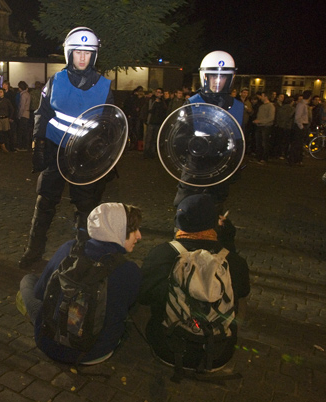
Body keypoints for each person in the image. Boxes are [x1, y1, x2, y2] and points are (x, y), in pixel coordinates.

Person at [19, 27, 115, 269]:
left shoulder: (105, 86)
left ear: (93, 55)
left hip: (85, 156)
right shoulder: (55, 81)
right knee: (44, 202)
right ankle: (33, 250)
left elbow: (110, 125)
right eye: (78, 52)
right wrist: (38, 143)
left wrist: (106, 156)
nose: (82, 57)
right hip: (56, 151)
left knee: (85, 207)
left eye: (87, 53)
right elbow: (42, 113)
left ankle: (82, 256)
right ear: (69, 53)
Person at [17, 202, 142, 364]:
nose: (139, 236)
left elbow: (40, 293)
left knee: (28, 280)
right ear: (118, 230)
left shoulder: (69, 248)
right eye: (133, 230)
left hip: (48, 341)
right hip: (94, 352)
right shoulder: (130, 270)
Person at [138, 194, 250, 372]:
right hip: (218, 353)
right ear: (214, 224)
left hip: (168, 349)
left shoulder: (162, 254)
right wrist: (228, 239)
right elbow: (241, 292)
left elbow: (144, 296)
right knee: (241, 300)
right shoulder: (235, 262)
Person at [173, 51, 244, 214]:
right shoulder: (192, 103)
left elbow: (239, 143)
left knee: (214, 212)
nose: (217, 81)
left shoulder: (238, 107)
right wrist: (198, 144)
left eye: (222, 77)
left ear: (229, 79)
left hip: (221, 170)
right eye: (213, 77)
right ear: (205, 77)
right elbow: (178, 139)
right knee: (186, 210)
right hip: (195, 169)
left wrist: (235, 167)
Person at [143, 88, 167, 159]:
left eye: (159, 92)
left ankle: (152, 153)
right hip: (151, 121)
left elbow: (164, 111)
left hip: (158, 122)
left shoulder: (163, 102)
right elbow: (149, 110)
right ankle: (146, 152)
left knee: (155, 138)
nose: (157, 93)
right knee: (149, 138)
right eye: (157, 92)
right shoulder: (151, 100)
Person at [252, 91, 275, 164]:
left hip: (266, 127)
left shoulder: (270, 106)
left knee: (264, 143)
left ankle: (264, 158)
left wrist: (260, 121)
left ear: (266, 97)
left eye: (262, 96)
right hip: (259, 126)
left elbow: (271, 118)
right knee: (258, 143)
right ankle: (259, 157)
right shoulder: (261, 106)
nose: (261, 97)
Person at [289, 90, 310, 167]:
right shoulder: (302, 105)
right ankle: (294, 160)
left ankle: (297, 160)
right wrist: (301, 126)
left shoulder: (303, 104)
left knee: (299, 144)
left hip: (301, 125)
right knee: (297, 144)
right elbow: (298, 117)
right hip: (300, 126)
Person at [16, 81, 31, 151]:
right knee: (25, 131)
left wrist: (19, 115)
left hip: (23, 115)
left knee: (21, 131)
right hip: (27, 114)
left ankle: (21, 146)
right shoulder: (28, 94)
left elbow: (22, 106)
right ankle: (26, 146)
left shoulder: (23, 95)